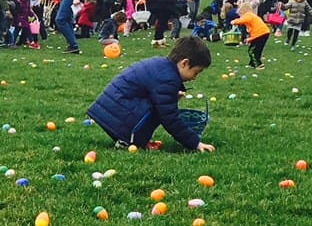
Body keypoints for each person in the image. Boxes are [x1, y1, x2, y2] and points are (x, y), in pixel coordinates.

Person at [85, 35, 215, 152]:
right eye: (196, 72)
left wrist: (172, 98)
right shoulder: (168, 79)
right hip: (117, 114)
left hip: (113, 110)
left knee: (159, 106)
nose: (195, 77)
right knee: (160, 109)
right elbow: (170, 118)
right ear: (184, 63)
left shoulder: (162, 66)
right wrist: (195, 143)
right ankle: (128, 140)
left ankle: (135, 140)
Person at [230, 0, 271, 67]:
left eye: (240, 14)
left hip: (260, 34)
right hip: (264, 33)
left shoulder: (248, 15)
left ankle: (258, 64)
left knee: (252, 51)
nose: (240, 16)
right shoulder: (252, 16)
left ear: (243, 11)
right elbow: (254, 32)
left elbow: (242, 20)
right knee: (257, 50)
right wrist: (249, 39)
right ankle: (253, 63)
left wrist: (234, 21)